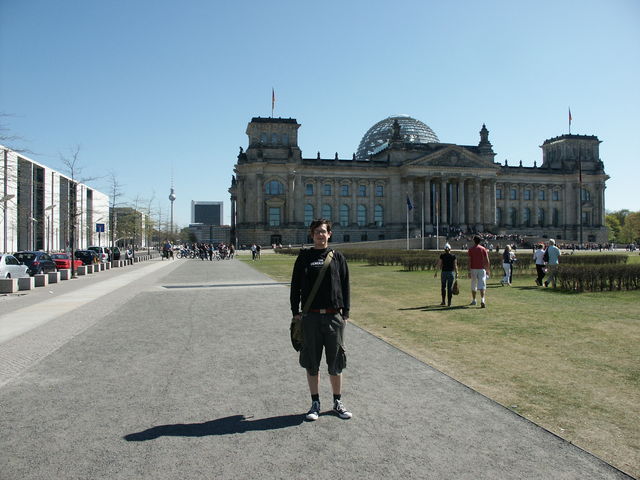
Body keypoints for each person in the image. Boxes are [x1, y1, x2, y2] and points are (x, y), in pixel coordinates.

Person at [290, 219, 352, 421]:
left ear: (329, 234)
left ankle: (337, 401)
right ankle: (315, 403)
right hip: (311, 317)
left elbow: (345, 285)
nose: (320, 235)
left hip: (333, 316)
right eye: (317, 232)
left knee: (335, 362)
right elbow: (295, 286)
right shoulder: (304, 257)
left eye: (323, 232)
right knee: (311, 362)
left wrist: (346, 313)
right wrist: (295, 312)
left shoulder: (337, 257)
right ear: (311, 235)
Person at [468, 235, 491, 308]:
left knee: (473, 285)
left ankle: (474, 300)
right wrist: (488, 270)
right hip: (481, 269)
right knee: (482, 285)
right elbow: (487, 260)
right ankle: (482, 300)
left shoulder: (471, 249)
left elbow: (469, 261)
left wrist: (468, 270)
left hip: (473, 269)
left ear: (474, 241)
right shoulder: (483, 249)